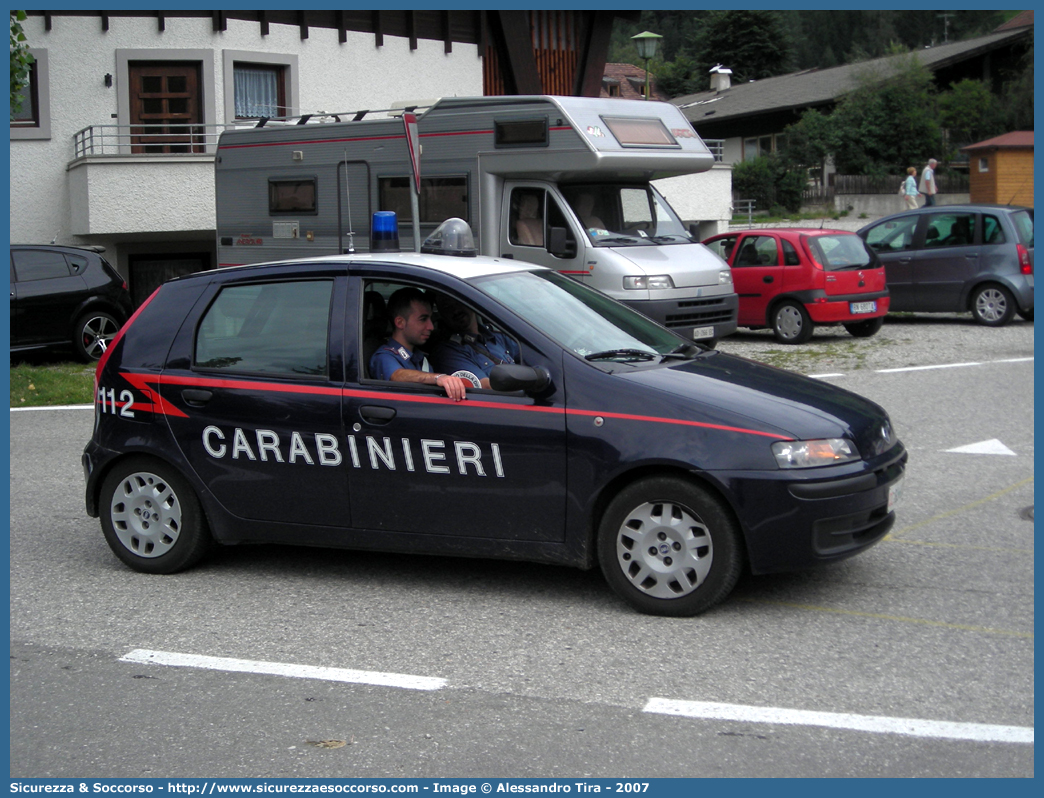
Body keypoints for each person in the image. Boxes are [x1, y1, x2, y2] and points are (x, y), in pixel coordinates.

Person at [368, 287, 468, 401]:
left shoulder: (419, 357)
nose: (431, 327)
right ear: (400, 322)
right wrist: (439, 378)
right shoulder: (384, 356)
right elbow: (397, 375)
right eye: (423, 319)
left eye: (430, 318)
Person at [431, 293, 520, 389]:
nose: (455, 311)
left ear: (470, 302)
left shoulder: (496, 336)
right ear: (441, 313)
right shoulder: (449, 352)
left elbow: (531, 355)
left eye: (458, 302)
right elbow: (486, 387)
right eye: (447, 307)